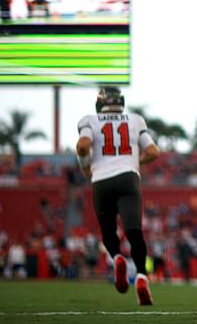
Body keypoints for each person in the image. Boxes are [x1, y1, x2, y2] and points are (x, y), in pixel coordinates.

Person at [76, 86, 160, 305]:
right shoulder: (135, 119)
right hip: (128, 179)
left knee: (108, 230)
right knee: (134, 232)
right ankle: (141, 276)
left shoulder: (89, 121)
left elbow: (83, 146)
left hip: (101, 181)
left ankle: (117, 258)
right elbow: (153, 152)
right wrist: (132, 160)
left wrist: (85, 166)